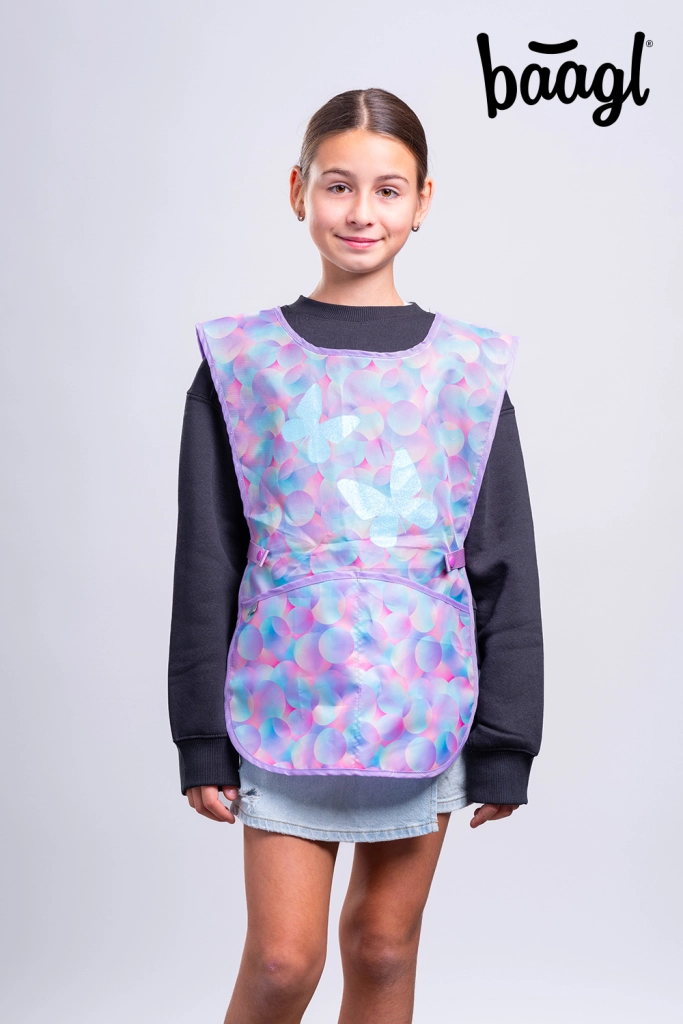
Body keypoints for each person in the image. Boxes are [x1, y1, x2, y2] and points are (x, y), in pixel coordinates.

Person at [168, 87, 543, 1024]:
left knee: (382, 946)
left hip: (424, 702)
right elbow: (208, 556)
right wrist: (198, 735)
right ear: (298, 190)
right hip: (282, 700)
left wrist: (506, 741)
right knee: (282, 963)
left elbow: (501, 559)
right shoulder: (240, 364)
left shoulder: (468, 370)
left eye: (387, 189)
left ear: (423, 202)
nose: (361, 211)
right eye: (338, 186)